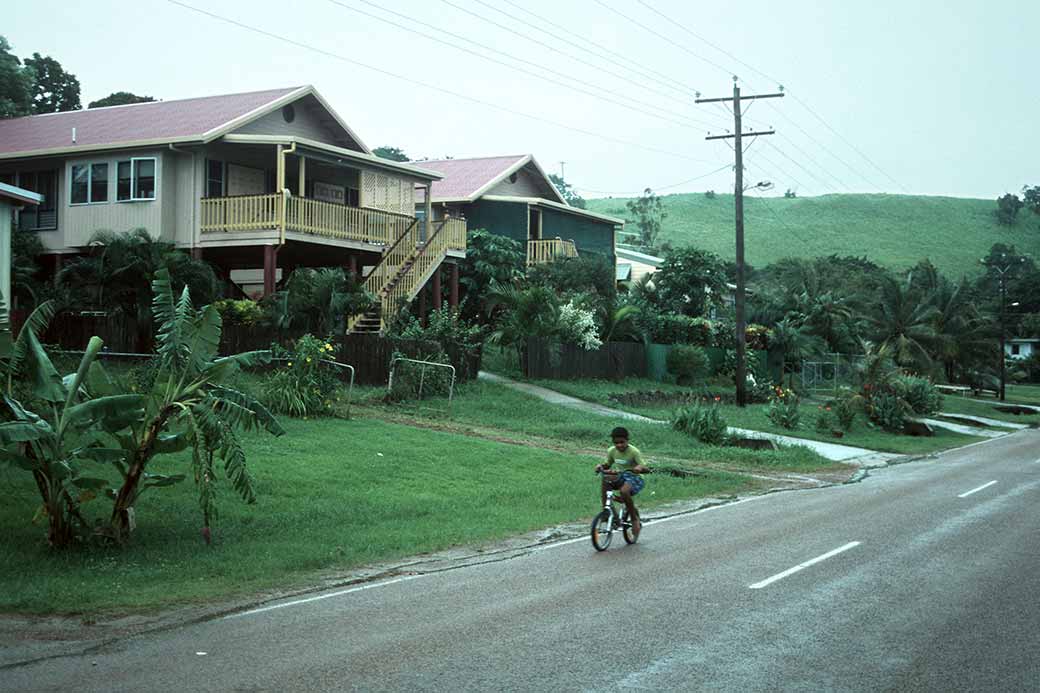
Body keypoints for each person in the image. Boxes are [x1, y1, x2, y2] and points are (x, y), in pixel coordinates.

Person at [595, 426, 649, 535]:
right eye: (616, 443)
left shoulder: (634, 452)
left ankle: (634, 520)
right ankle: (608, 512)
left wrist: (639, 468)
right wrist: (600, 466)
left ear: (627, 440)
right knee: (606, 480)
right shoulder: (612, 451)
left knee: (624, 492)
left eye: (622, 442)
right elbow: (607, 464)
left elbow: (645, 468)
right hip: (622, 476)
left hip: (635, 478)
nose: (619, 445)